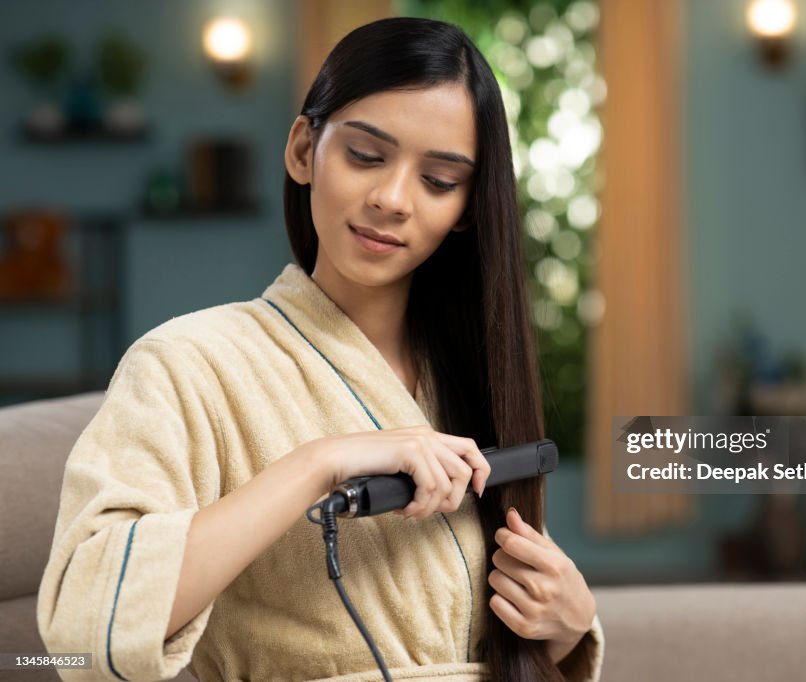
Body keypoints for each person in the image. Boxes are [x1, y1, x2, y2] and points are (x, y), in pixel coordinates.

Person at [37, 17, 603, 682]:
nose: (392, 200)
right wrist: (319, 464)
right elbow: (86, 623)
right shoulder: (185, 363)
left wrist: (566, 631)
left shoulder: (471, 375)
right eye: (367, 156)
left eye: (440, 180)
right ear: (304, 149)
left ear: (469, 207)